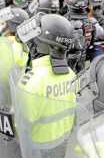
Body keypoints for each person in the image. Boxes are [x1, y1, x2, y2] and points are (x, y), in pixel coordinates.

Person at [15, 14, 77, 158]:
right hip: (62, 141)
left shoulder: (30, 81)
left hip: (38, 146)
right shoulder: (71, 74)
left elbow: (22, 123)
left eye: (34, 41)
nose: (31, 44)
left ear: (43, 45)